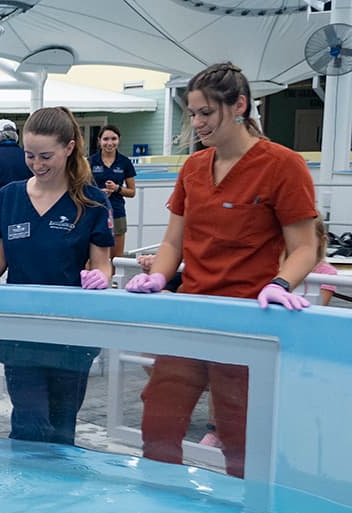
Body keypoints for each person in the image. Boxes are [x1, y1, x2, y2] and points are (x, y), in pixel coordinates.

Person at [125, 62, 319, 478]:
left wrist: (281, 283)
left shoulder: (283, 165)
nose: (197, 123)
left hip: (248, 320)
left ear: (239, 107)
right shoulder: (194, 168)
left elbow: (306, 245)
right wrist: (158, 276)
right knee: (158, 421)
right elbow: (173, 242)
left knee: (242, 437)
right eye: (192, 114)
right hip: (192, 315)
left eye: (205, 113)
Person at [0, 106, 114, 445]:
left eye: (46, 156)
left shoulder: (92, 201)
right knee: (29, 425)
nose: (37, 165)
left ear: (69, 147)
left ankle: (59, 495)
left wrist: (101, 277)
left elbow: (103, 263)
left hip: (71, 335)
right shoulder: (10, 197)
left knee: (61, 428)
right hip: (20, 335)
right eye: (30, 156)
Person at [88, 125, 136, 258]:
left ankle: (114, 280)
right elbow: (82, 189)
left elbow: (132, 192)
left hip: (117, 212)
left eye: (113, 139)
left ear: (119, 140)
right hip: (95, 211)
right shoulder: (91, 162)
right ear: (99, 141)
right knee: (93, 256)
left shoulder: (125, 162)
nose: (110, 143)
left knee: (116, 257)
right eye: (106, 139)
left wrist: (117, 188)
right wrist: (99, 192)